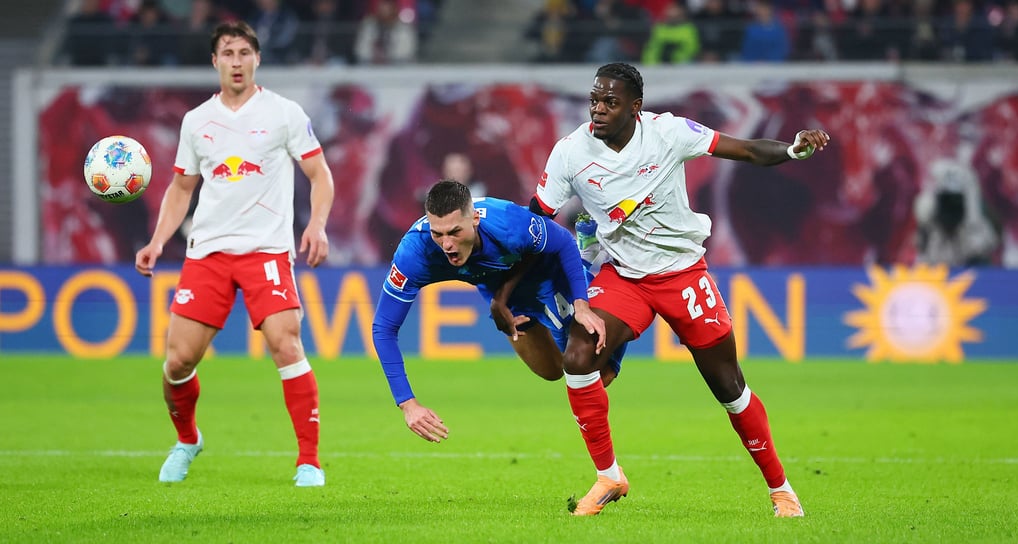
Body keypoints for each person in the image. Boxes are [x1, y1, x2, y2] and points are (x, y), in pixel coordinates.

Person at [528, 62, 829, 517]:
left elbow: (748, 150)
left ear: (635, 107)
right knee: (578, 356)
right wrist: (518, 281)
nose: (598, 109)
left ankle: (781, 490)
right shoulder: (570, 152)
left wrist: (792, 150)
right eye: (594, 100)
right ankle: (609, 476)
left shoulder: (668, 133)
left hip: (683, 274)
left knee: (729, 387)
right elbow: (537, 218)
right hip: (625, 277)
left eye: (610, 102)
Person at [134, 21, 335, 487]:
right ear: (215, 62)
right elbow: (181, 188)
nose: (237, 62)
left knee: (286, 343)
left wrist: (317, 225)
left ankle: (309, 461)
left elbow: (320, 174)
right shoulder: (196, 121)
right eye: (228, 53)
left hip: (266, 250)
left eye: (245, 52)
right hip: (208, 252)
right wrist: (158, 241)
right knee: (178, 362)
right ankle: (187, 440)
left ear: (257, 58)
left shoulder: (283, 113)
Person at [372, 179, 622, 442]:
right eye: (438, 234)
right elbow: (384, 328)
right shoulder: (414, 253)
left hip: (547, 272)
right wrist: (407, 404)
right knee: (550, 371)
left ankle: (586, 255)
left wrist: (581, 306)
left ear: (475, 220)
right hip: (506, 293)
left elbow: (561, 242)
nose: (447, 245)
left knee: (595, 374)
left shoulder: (507, 221)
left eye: (455, 232)